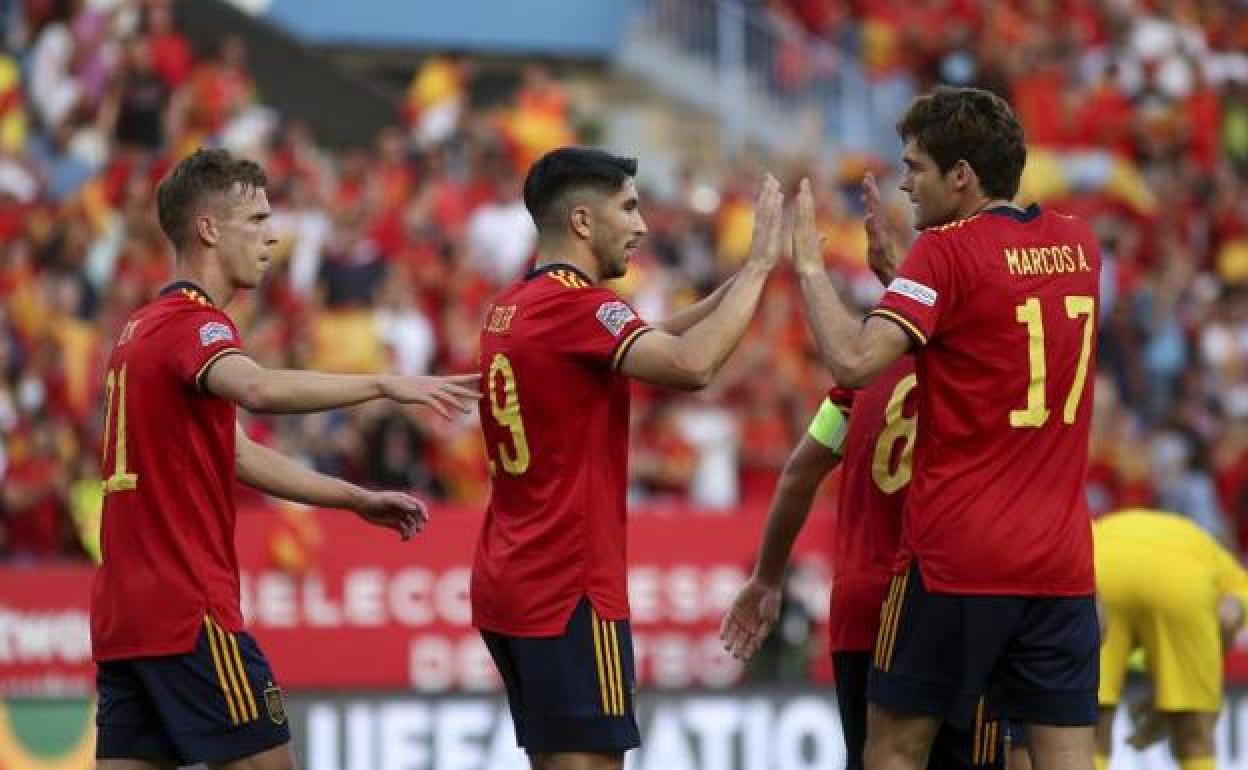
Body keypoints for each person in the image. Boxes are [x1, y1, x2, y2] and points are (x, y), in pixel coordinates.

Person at [91, 148, 480, 770]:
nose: (273, 236)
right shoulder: (194, 325)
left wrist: (354, 498)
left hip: (125, 616)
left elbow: (237, 453)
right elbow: (259, 389)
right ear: (210, 229)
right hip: (188, 609)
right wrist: (383, 383)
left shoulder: (141, 327)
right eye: (257, 219)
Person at [789, 86, 1102, 770]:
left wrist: (808, 269)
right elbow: (988, 320)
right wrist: (904, 282)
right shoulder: (1080, 245)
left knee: (896, 750)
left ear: (961, 175)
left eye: (916, 167)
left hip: (955, 559)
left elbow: (854, 359)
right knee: (1067, 758)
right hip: (1060, 564)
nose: (905, 183)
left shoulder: (946, 252)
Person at [472, 146, 784, 770]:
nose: (642, 225)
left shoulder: (519, 302)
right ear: (583, 221)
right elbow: (690, 365)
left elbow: (653, 333)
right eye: (630, 208)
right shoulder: (576, 307)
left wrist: (744, 276)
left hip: (513, 573)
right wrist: (757, 273)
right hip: (570, 583)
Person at [720, 174, 1007, 770]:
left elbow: (800, 472)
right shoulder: (987, 371)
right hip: (958, 593)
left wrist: (767, 579)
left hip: (862, 609)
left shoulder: (862, 385)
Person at [1094, 508, 1248, 770]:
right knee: (1194, 733)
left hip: (1102, 564)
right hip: (1180, 580)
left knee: (1088, 724)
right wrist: (1183, 692)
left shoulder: (1113, 525)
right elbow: (1229, 617)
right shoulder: (1223, 563)